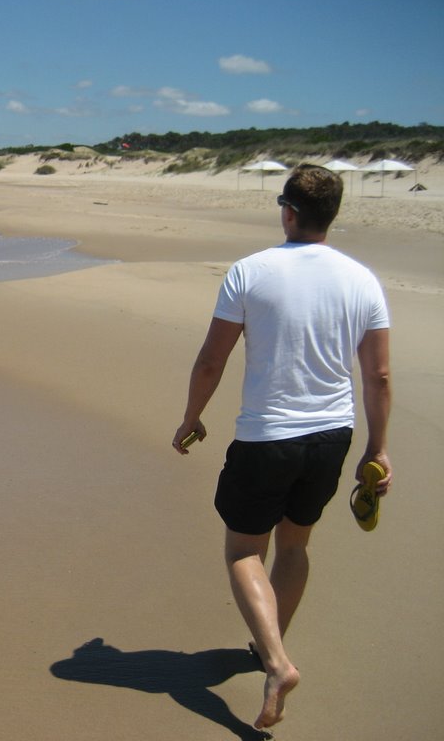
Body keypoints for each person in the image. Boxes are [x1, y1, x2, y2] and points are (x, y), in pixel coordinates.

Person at [171, 164, 392, 730]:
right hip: (332, 437)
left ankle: (275, 662)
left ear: (288, 211)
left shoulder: (251, 271)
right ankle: (268, 645)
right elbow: (379, 376)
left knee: (244, 552)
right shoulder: (362, 279)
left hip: (268, 436)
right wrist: (379, 449)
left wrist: (192, 417)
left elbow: (211, 359)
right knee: (294, 547)